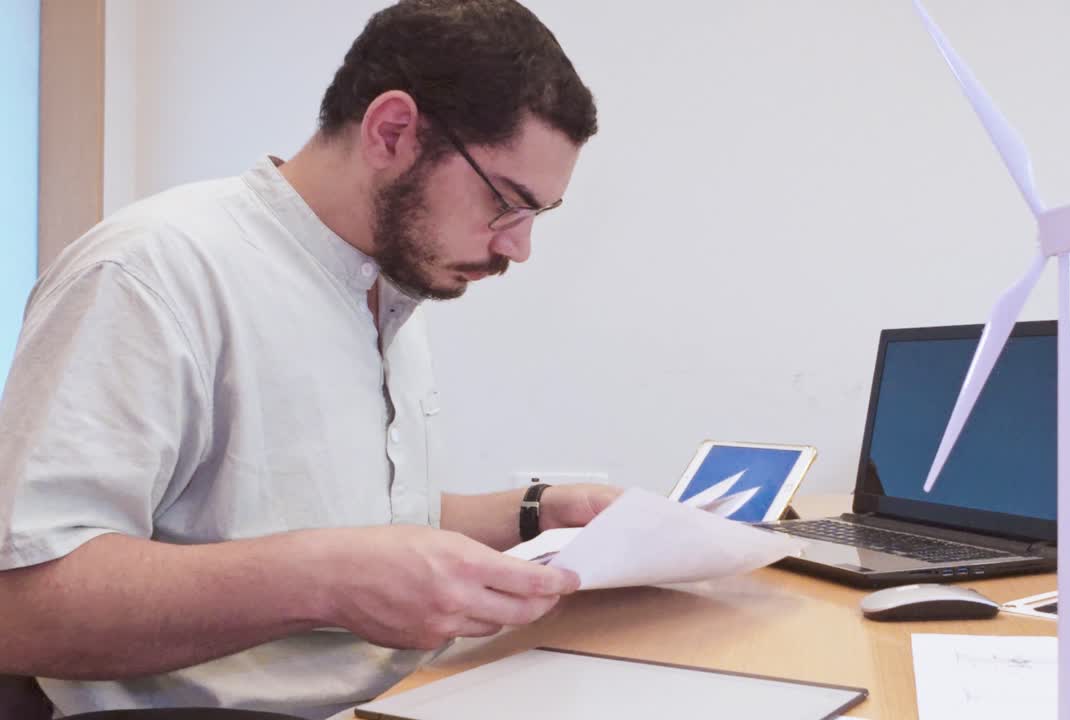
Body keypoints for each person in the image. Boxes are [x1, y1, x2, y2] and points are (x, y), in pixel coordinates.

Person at [0, 1, 620, 717]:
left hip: (413, 694)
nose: (517, 247)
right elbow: (20, 606)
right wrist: (327, 580)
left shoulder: (386, 285)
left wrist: (535, 513)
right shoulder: (150, 274)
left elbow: (330, 513)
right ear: (393, 132)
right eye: (506, 204)